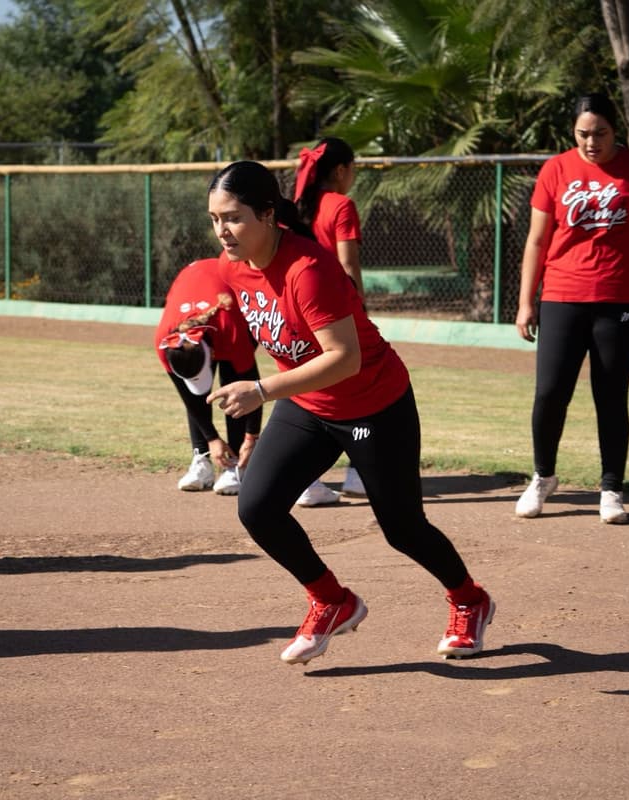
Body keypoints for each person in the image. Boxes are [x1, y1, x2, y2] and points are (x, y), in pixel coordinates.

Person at [205, 160, 493, 664]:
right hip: (308, 403)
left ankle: (470, 599)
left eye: (232, 217)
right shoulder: (234, 267)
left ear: (268, 214)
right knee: (257, 507)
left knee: (402, 528)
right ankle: (332, 600)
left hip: (373, 404)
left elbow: (345, 359)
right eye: (214, 218)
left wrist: (264, 390)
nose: (221, 231)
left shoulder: (308, 268)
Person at [514, 92, 629, 524]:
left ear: (615, 130)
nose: (591, 142)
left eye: (600, 133)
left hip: (621, 302)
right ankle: (543, 476)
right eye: (583, 134)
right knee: (550, 394)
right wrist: (525, 301)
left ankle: (611, 488)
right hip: (562, 297)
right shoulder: (556, 169)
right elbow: (537, 240)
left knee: (610, 396)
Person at [294, 136, 367, 499]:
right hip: (336, 310)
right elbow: (348, 264)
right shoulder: (341, 204)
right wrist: (362, 310)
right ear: (340, 170)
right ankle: (358, 473)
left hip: (301, 310)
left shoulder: (299, 205)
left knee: (309, 389)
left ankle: (306, 480)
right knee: (361, 388)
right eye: (353, 169)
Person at [155, 258, 261, 495]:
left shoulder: (230, 331)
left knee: (233, 387)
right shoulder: (166, 343)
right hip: (192, 278)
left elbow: (252, 388)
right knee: (198, 396)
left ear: (212, 354)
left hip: (235, 292)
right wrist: (212, 438)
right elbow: (190, 399)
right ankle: (201, 457)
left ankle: (235, 466)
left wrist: (251, 437)